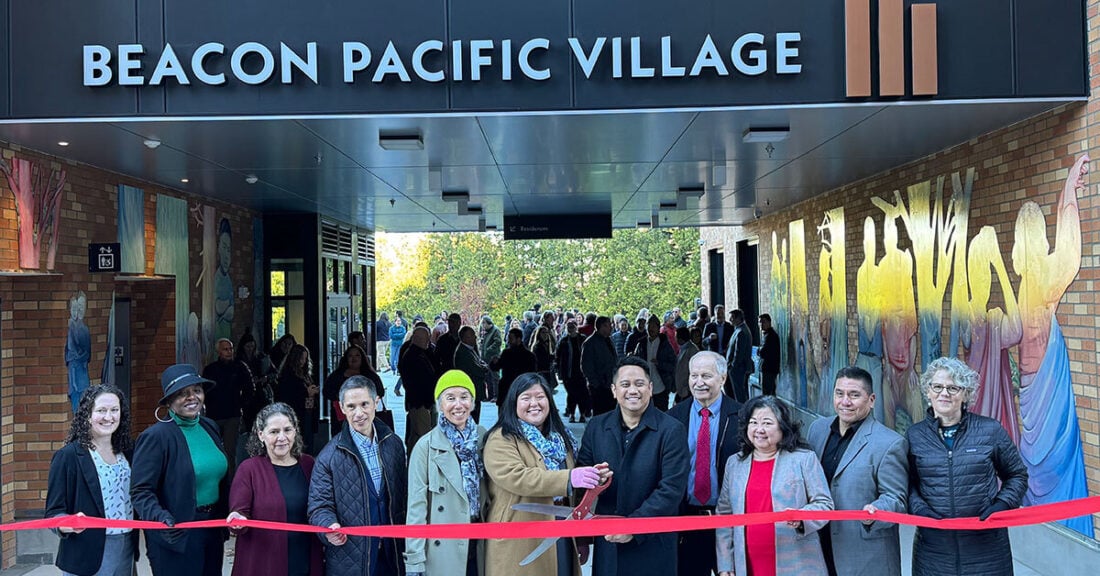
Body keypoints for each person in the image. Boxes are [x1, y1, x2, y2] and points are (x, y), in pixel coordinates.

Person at [906, 357, 1028, 576]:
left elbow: (1017, 475)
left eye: (953, 388)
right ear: (928, 392)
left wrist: (1001, 505)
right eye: (938, 387)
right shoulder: (915, 436)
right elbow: (907, 484)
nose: (945, 393)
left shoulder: (989, 430)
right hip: (934, 550)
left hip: (986, 549)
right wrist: (920, 509)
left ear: (965, 394)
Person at [484, 373, 609, 576]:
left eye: (540, 397)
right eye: (526, 398)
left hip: (562, 530)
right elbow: (518, 477)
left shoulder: (561, 439)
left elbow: (574, 493)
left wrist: (594, 477)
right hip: (521, 535)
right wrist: (569, 478)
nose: (534, 403)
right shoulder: (501, 438)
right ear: (514, 403)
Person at [576, 357, 689, 576]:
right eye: (625, 385)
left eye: (639, 384)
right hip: (609, 543)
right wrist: (594, 481)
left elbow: (671, 490)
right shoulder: (597, 427)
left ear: (650, 388)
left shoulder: (671, 430)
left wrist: (634, 526)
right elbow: (581, 477)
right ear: (614, 390)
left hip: (653, 543)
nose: (632, 391)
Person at [806, 366, 908, 576]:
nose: (845, 402)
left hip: (864, 553)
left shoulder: (890, 443)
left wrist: (875, 511)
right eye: (839, 393)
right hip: (818, 546)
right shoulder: (817, 429)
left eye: (854, 395)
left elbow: (896, 498)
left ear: (871, 400)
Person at [716, 396, 833, 576]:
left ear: (783, 427)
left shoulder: (804, 459)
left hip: (797, 563)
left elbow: (824, 504)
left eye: (767, 423)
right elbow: (724, 515)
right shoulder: (735, 464)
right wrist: (725, 564)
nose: (759, 429)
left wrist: (802, 518)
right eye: (753, 422)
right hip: (748, 563)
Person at [131, 364, 229, 576]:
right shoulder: (156, 437)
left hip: (212, 528)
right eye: (182, 393)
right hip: (176, 534)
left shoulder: (209, 426)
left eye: (196, 390)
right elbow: (140, 491)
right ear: (168, 401)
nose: (192, 397)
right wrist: (160, 518)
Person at [309, 375, 407, 576]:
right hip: (352, 558)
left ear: (376, 403)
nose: (359, 413)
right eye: (351, 407)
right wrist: (328, 525)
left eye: (364, 404)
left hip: (392, 554)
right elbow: (319, 506)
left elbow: (405, 496)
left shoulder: (394, 444)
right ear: (342, 408)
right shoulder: (328, 456)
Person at [46, 384, 138, 576]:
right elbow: (54, 513)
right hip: (86, 552)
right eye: (101, 411)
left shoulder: (129, 452)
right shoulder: (68, 457)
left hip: (126, 545)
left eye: (114, 410)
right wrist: (66, 523)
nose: (108, 417)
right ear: (87, 415)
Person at [406, 371, 488, 576]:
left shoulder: (484, 439)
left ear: (473, 402)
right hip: (443, 550)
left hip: (481, 542)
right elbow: (416, 507)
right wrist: (414, 561)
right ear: (439, 405)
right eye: (450, 398)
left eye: (464, 397)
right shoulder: (425, 447)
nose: (458, 405)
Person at [226, 402, 323, 576]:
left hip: (304, 557)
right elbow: (239, 512)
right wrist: (237, 518)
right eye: (274, 432)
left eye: (287, 430)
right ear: (261, 435)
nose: (282, 437)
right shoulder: (249, 469)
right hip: (264, 563)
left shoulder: (309, 464)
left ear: (295, 431)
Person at [668, 352, 742, 576]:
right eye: (694, 375)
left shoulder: (743, 417)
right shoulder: (673, 418)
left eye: (706, 376)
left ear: (723, 378)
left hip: (729, 522)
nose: (699, 382)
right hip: (686, 522)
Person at [202, 338, 253, 476]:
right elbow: (204, 390)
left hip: (233, 414)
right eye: (225, 349)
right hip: (214, 415)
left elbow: (250, 388)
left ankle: (230, 482)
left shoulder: (240, 367)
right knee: (214, 448)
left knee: (230, 450)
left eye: (231, 349)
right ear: (218, 351)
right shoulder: (210, 370)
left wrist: (241, 404)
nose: (229, 352)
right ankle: (216, 478)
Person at [323, 344, 384, 435]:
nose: (354, 358)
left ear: (362, 358)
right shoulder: (337, 375)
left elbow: (380, 391)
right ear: (346, 359)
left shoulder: (370, 375)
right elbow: (326, 391)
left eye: (357, 355)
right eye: (350, 356)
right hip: (341, 419)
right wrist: (340, 397)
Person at [399, 326, 439, 455]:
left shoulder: (418, 354)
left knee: (416, 437)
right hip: (419, 402)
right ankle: (420, 467)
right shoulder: (414, 356)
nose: (428, 341)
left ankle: (413, 465)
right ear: (417, 339)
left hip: (419, 401)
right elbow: (420, 382)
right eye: (426, 338)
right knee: (423, 437)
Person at [276, 344, 320, 454]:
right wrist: (306, 392)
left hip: (308, 410)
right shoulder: (288, 375)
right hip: (296, 412)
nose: (303, 362)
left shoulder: (305, 374)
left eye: (305, 359)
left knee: (308, 441)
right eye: (301, 358)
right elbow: (288, 395)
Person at [630, 314, 676, 411]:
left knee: (662, 412)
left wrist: (660, 363)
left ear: (658, 328)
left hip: (661, 385)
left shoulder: (664, 344)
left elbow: (673, 364)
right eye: (649, 326)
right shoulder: (641, 344)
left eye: (653, 326)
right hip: (644, 386)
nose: (651, 329)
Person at [491, 327, 537, 409]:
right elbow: (496, 367)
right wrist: (494, 362)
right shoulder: (507, 353)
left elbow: (532, 375)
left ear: (518, 339)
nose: (508, 341)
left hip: (519, 389)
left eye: (510, 338)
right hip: (509, 390)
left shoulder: (528, 356)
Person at [581, 316, 618, 416]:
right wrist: (596, 384)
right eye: (608, 325)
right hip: (599, 387)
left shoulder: (609, 340)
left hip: (610, 384)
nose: (611, 327)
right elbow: (586, 366)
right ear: (601, 326)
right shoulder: (590, 343)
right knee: (600, 414)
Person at [454, 325, 490, 423]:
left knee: (474, 419)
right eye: (473, 335)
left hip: (474, 391)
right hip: (470, 391)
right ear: (466, 338)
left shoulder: (470, 349)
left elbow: (480, 363)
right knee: (472, 420)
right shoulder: (464, 352)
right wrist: (484, 368)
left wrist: (483, 366)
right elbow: (478, 370)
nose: (475, 337)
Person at [556, 320, 590, 422]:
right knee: (571, 394)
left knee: (582, 393)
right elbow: (558, 357)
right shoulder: (564, 341)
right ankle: (571, 414)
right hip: (568, 372)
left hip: (581, 372)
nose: (571, 328)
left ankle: (582, 414)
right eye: (569, 327)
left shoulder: (582, 339)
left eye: (572, 326)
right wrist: (560, 372)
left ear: (576, 327)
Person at [724, 309, 752, 402]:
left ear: (738, 318)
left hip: (738, 369)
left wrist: (733, 366)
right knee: (739, 392)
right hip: (738, 368)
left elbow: (739, 352)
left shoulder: (741, 332)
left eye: (731, 317)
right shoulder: (739, 330)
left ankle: (742, 412)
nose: (730, 320)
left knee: (739, 393)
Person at [673, 326, 699, 403]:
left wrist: (688, 389)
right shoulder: (682, 349)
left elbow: (694, 371)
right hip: (681, 389)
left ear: (680, 338)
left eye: (676, 336)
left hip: (687, 390)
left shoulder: (692, 350)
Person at [479, 315, 503, 400]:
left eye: (483, 323)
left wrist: (489, 349)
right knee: (488, 377)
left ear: (488, 323)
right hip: (486, 358)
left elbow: (498, 341)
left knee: (495, 377)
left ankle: (497, 395)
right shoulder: (486, 331)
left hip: (493, 357)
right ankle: (490, 396)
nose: (482, 325)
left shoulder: (495, 330)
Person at [757, 314, 781, 397]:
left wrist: (759, 350)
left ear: (769, 322)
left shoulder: (770, 336)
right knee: (769, 392)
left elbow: (762, 352)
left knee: (767, 393)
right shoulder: (766, 335)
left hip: (769, 369)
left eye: (763, 322)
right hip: (768, 369)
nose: (761, 324)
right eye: (759, 322)